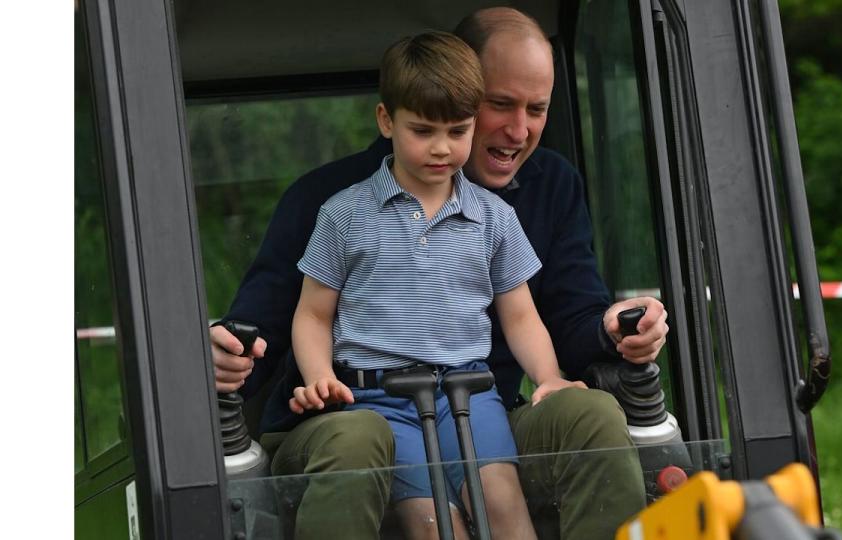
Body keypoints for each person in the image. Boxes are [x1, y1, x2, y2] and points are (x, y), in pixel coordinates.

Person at [211, 7, 669, 539]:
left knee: (591, 416)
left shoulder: (541, 192)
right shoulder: (333, 204)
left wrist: (609, 329)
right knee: (366, 448)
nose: (519, 130)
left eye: (537, 109)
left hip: (479, 406)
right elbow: (273, 322)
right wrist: (233, 355)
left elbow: (554, 315)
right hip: (361, 412)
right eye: (501, 104)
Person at [289, 30, 584, 539]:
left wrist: (550, 377)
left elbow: (520, 315)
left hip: (470, 392)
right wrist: (319, 376)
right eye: (423, 131)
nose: (442, 149)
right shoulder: (343, 214)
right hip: (380, 400)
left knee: (504, 508)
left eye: (458, 131)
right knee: (431, 525)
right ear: (387, 121)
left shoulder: (494, 216)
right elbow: (313, 314)